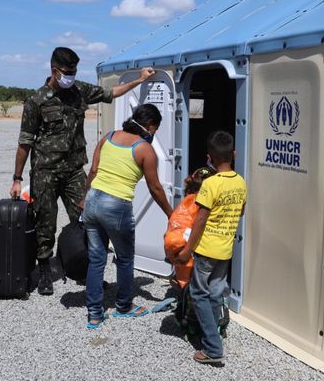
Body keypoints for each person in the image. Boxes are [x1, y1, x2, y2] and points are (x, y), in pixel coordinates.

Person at [9, 47, 156, 295]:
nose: (72, 76)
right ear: (55, 71)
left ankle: (89, 271)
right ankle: (44, 270)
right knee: (45, 223)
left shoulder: (80, 92)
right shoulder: (36, 101)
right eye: (67, 72)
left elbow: (112, 93)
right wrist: (17, 178)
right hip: (45, 171)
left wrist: (140, 80)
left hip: (75, 170)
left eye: (75, 71)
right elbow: (25, 142)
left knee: (88, 219)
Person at [82, 103, 173, 329]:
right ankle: (123, 306)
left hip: (93, 200)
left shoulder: (108, 137)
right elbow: (155, 188)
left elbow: (93, 171)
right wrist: (171, 214)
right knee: (124, 258)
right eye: (155, 129)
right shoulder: (145, 150)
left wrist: (84, 199)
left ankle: (94, 313)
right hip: (116, 205)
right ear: (150, 126)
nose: (155, 134)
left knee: (96, 259)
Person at [177, 131, 247, 364]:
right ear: (234, 154)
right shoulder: (240, 182)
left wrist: (187, 250)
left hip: (206, 249)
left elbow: (200, 221)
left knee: (198, 294)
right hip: (226, 249)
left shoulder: (210, 184)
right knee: (216, 293)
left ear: (209, 157)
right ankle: (215, 332)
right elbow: (242, 211)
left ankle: (212, 348)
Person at [164, 167, 215, 290]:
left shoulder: (187, 201)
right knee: (203, 284)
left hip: (181, 248)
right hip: (199, 248)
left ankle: (185, 295)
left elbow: (174, 229)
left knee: (188, 280)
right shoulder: (203, 202)